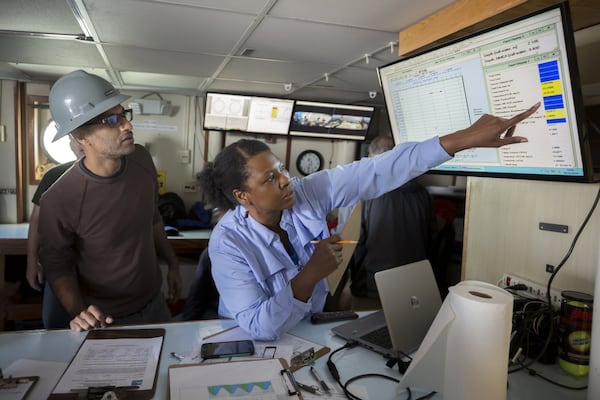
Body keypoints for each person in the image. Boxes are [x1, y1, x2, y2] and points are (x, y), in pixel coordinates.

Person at [197, 102, 540, 340]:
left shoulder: (306, 192)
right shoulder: (227, 242)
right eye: (269, 179)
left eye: (282, 168)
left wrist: (461, 140)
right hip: (251, 342)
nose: (286, 180)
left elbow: (378, 169)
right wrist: (312, 273)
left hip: (307, 328)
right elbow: (259, 325)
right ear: (242, 195)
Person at [38, 69, 182, 332]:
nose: (127, 125)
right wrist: (79, 314)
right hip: (106, 319)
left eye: (123, 115)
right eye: (111, 120)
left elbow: (152, 220)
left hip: (154, 304)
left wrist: (172, 264)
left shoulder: (142, 159)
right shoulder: (58, 199)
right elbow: (58, 268)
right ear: (82, 137)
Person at [345, 135, 439, 310]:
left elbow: (354, 243)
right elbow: (431, 240)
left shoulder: (369, 194)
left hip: (373, 288)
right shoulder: (423, 194)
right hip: (413, 288)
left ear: (378, 160)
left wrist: (351, 283)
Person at [26, 136, 85, 328]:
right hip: (60, 265)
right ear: (70, 144)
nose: (81, 145)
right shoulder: (54, 175)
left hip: (94, 267)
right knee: (55, 323)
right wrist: (31, 261)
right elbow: (36, 220)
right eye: (76, 139)